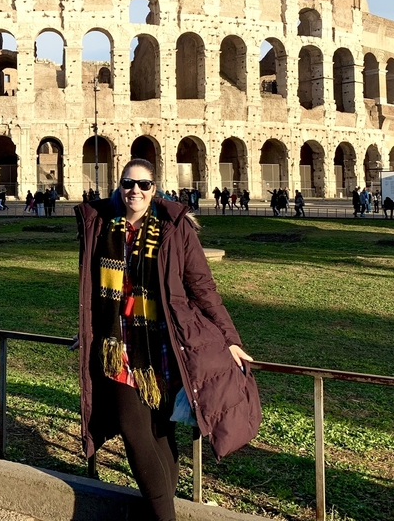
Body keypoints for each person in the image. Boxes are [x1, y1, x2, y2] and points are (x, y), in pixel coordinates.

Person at [74, 159, 260, 521]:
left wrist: (230, 338)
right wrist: (85, 328)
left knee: (161, 434)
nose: (135, 191)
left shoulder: (174, 228)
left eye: (144, 185)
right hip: (118, 346)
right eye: (129, 184)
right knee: (132, 428)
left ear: (154, 188)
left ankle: (159, 513)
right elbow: (89, 289)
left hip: (165, 344)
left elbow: (202, 287)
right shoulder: (101, 225)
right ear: (119, 185)